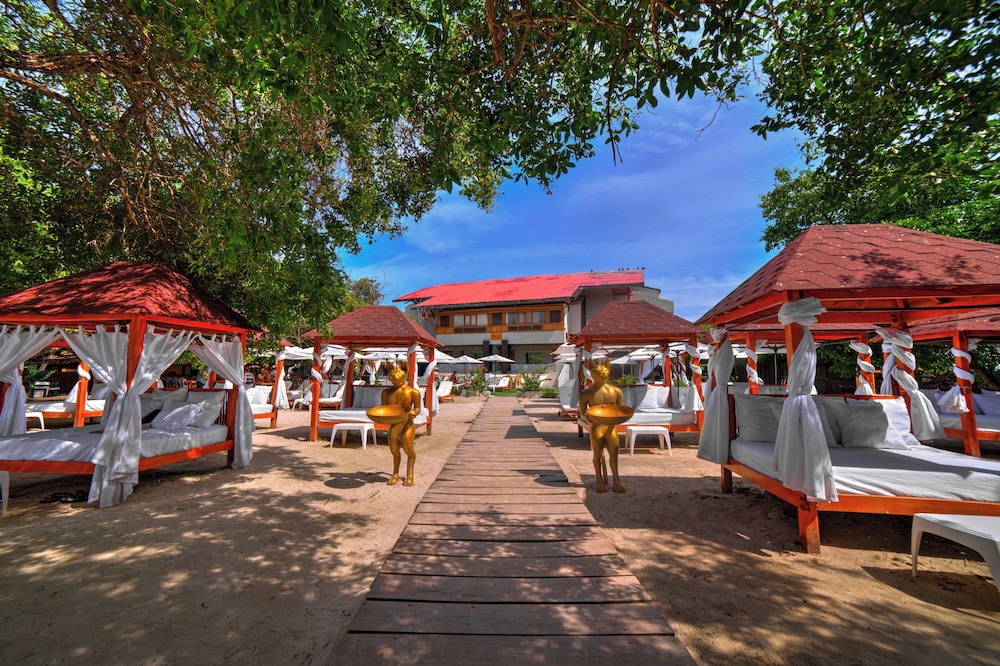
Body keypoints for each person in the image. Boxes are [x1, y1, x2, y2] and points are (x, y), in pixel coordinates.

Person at [578, 358, 626, 493]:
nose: (602, 376)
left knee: (614, 455)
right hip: (597, 427)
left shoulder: (616, 391)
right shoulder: (586, 394)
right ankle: (599, 480)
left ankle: (616, 480)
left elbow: (620, 410)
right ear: (591, 374)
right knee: (597, 456)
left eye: (604, 373)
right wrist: (589, 418)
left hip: (611, 427)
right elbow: (583, 411)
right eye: (598, 374)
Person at [381, 365, 421, 486]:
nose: (393, 379)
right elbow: (383, 409)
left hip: (406, 424)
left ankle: (410, 474)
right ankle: (395, 473)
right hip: (394, 425)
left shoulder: (413, 392)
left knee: (409, 450)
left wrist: (414, 412)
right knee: (394, 451)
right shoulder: (386, 393)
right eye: (392, 376)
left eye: (397, 376)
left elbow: (418, 408)